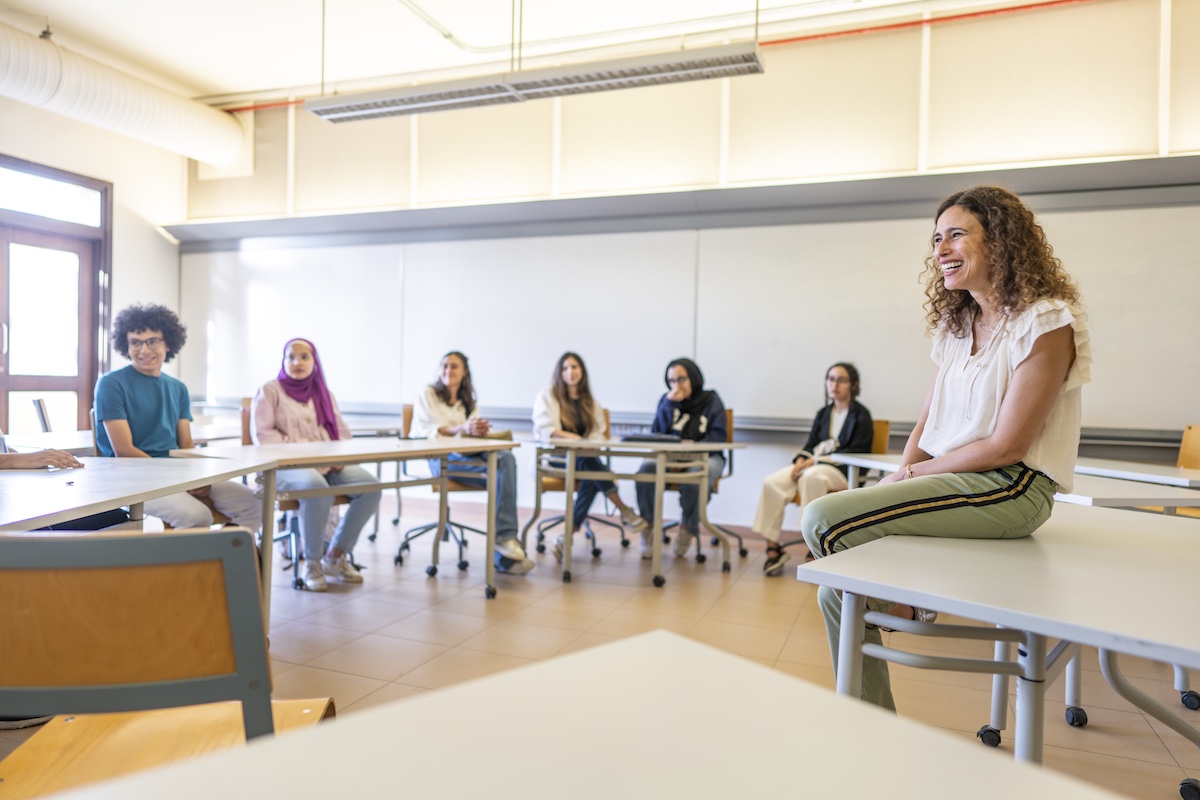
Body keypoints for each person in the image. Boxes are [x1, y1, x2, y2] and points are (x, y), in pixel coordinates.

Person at [801, 185, 1090, 710]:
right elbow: (926, 424)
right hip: (949, 480)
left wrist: (913, 479)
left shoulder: (1045, 321)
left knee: (820, 519)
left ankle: (916, 606)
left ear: (1000, 241)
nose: (940, 251)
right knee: (835, 592)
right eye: (936, 239)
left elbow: (1007, 445)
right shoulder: (955, 326)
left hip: (1011, 489)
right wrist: (901, 472)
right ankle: (870, 732)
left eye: (956, 235)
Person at [94, 304, 262, 532]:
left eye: (152, 341)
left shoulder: (178, 388)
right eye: (135, 342)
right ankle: (197, 564)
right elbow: (125, 451)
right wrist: (180, 481)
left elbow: (186, 444)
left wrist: (199, 478)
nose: (143, 350)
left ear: (168, 343)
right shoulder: (111, 384)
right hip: (131, 478)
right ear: (126, 345)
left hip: (176, 473)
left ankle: (225, 559)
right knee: (197, 516)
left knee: (256, 502)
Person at [252, 338, 381, 592]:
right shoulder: (270, 390)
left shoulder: (324, 393)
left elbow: (342, 434)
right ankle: (312, 562)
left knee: (371, 486)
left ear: (315, 361)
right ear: (283, 360)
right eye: (290, 357)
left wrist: (336, 457)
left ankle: (335, 556)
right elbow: (263, 436)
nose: (297, 362)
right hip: (285, 467)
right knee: (316, 488)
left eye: (304, 357)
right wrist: (311, 452)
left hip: (327, 464)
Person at [412, 351, 533, 575]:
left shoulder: (468, 402)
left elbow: (468, 437)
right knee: (501, 474)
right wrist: (463, 428)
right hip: (441, 461)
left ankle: (504, 542)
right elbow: (428, 432)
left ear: (464, 371)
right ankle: (504, 544)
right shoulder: (428, 395)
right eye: (445, 366)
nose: (448, 370)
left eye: (454, 366)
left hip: (466, 457)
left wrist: (478, 431)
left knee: (505, 457)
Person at [753, 362, 873, 577]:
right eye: (830, 379)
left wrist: (817, 462)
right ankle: (773, 547)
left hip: (842, 472)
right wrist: (801, 460)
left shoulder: (862, 415)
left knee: (811, 476)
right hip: (814, 467)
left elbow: (857, 452)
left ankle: (814, 545)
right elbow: (810, 446)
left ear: (853, 385)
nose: (834, 384)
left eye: (841, 379)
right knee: (773, 481)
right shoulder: (823, 413)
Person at [532, 352, 648, 562]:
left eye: (575, 367)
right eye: (565, 368)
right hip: (558, 458)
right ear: (559, 372)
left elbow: (597, 434)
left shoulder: (591, 402)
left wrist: (588, 444)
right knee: (590, 463)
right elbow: (545, 429)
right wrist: (576, 440)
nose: (570, 372)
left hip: (585, 460)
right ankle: (624, 509)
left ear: (582, 371)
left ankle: (565, 538)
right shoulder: (547, 396)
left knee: (590, 472)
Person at [634, 358, 727, 559]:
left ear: (692, 378)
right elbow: (656, 435)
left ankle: (687, 526)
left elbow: (719, 437)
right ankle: (648, 526)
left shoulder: (711, 400)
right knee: (646, 470)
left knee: (698, 477)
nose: (676, 385)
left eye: (681, 379)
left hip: (705, 456)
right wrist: (668, 405)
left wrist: (691, 450)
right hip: (669, 457)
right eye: (671, 381)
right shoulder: (666, 400)